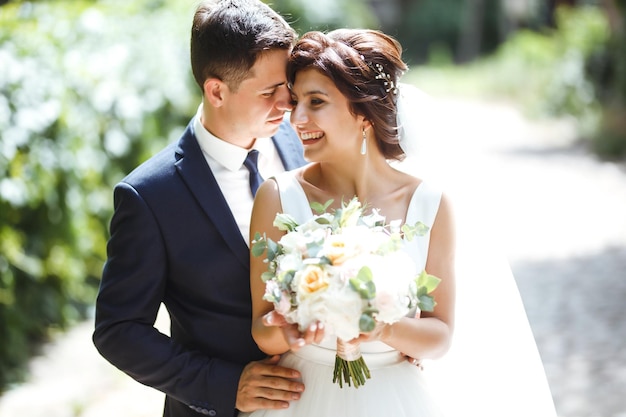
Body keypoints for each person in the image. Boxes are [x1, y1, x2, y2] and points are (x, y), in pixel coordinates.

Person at [92, 1, 308, 416]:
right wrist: (225, 385)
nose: (288, 105)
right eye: (269, 92)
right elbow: (118, 330)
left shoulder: (302, 143)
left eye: (289, 86)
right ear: (216, 91)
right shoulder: (150, 196)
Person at [246, 29, 455, 416]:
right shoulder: (277, 196)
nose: (297, 118)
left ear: (362, 112)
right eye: (296, 102)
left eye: (316, 102)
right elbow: (262, 330)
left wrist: (385, 329)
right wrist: (292, 326)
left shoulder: (429, 204)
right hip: (301, 395)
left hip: (394, 398)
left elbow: (440, 334)